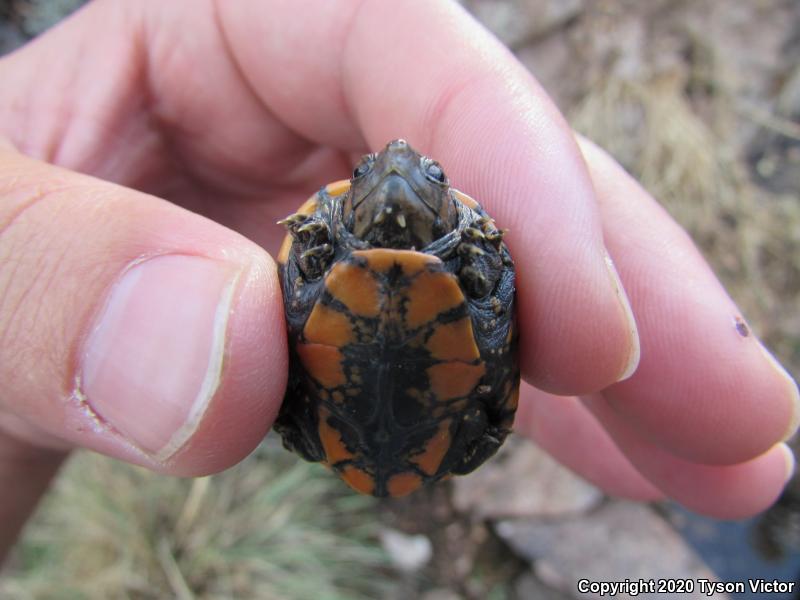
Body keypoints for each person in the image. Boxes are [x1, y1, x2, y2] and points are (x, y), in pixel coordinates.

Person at [0, 0, 796, 562]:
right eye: (374, 170)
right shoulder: (409, 248)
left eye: (425, 174)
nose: (399, 174)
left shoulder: (355, 242)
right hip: (434, 425)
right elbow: (496, 329)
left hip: (347, 429)